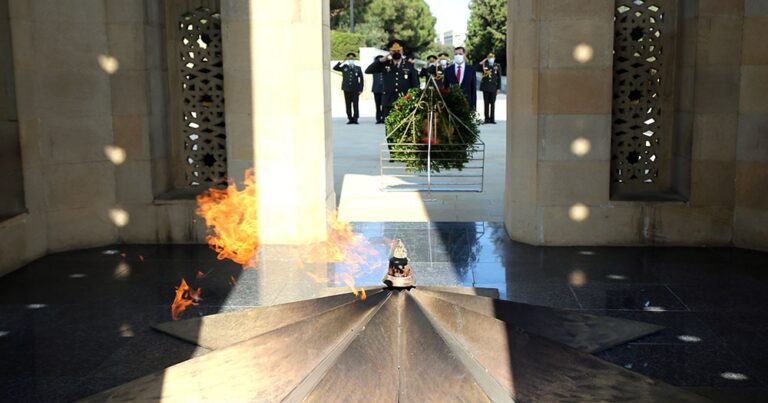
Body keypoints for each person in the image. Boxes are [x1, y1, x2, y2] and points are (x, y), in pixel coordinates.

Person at [364, 40, 420, 121]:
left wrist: (414, 100)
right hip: (388, 101)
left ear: (402, 52)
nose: (396, 52)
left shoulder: (409, 65)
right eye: (393, 51)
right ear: (390, 52)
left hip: (404, 101)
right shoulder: (384, 64)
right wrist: (380, 60)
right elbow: (368, 71)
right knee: (389, 127)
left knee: (403, 127)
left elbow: (415, 84)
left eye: (398, 51)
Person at [333, 52, 364, 124]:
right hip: (346, 89)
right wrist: (343, 61)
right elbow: (335, 68)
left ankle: (355, 119)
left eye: (352, 58)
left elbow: (361, 79)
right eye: (349, 58)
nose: (351, 60)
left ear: (354, 59)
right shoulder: (345, 67)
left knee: (355, 104)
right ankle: (350, 118)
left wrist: (361, 89)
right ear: (347, 59)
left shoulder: (358, 68)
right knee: (348, 104)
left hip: (355, 89)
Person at [477, 52, 502, 124]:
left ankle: (492, 119)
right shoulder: (484, 65)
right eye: (489, 58)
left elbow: (499, 78)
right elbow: (477, 67)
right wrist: (483, 61)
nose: (491, 59)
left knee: (493, 104)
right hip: (486, 87)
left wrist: (498, 88)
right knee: (486, 103)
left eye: (492, 58)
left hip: (494, 87)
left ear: (494, 58)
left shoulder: (497, 66)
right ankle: (486, 119)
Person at [371, 57, 384, 124]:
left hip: (384, 90)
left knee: (384, 105)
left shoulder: (385, 68)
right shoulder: (374, 69)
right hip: (376, 89)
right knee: (378, 105)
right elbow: (370, 67)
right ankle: (378, 118)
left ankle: (384, 118)